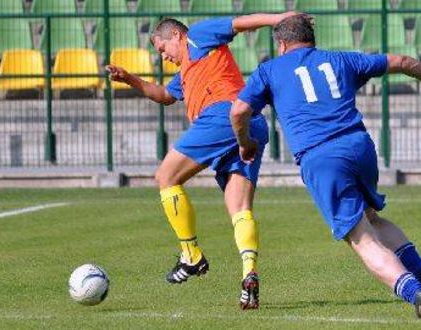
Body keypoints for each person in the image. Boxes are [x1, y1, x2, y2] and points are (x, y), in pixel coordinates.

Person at [230, 14, 421, 317]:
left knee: (360, 236)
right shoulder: (341, 60)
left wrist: (244, 142)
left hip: (321, 158)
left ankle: (417, 293)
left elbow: (239, 111)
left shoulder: (269, 70)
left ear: (281, 44)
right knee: (371, 216)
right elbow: (401, 60)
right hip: (359, 145)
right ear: (311, 38)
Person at [107, 12, 296, 309]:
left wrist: (282, 19)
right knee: (240, 208)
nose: (163, 56)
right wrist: (128, 78)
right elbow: (165, 96)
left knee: (166, 177)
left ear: (177, 36)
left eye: (162, 49)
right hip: (250, 123)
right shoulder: (187, 71)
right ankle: (249, 274)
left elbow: (240, 23)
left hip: (222, 116)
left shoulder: (198, 35)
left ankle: (191, 255)